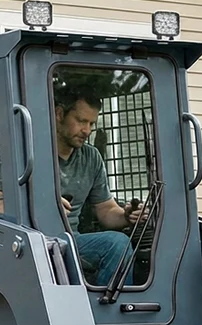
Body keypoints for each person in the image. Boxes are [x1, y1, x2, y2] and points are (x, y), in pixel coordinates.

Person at [54, 89, 144, 287]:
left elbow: (106, 210)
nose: (87, 131)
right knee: (117, 244)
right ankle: (110, 315)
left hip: (71, 240)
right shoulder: (28, 150)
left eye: (92, 124)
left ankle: (102, 309)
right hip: (33, 242)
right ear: (59, 114)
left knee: (118, 243)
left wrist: (127, 216)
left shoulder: (91, 158)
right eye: (80, 121)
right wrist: (41, 204)